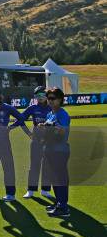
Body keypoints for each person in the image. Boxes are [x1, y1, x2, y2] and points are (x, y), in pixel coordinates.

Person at [15, 86, 52, 199]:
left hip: (49, 141)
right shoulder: (32, 108)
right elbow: (20, 120)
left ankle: (45, 190)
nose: (39, 98)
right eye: (37, 96)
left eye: (42, 95)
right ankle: (31, 190)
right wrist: (29, 134)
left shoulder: (52, 108)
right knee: (34, 165)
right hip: (36, 140)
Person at [41, 88, 71, 218]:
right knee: (54, 178)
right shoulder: (50, 114)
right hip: (50, 149)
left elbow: (63, 131)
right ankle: (58, 202)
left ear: (60, 99)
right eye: (49, 98)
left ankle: (63, 207)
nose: (50, 101)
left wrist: (52, 127)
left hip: (60, 150)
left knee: (60, 179)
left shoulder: (62, 114)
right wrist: (43, 126)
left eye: (53, 98)